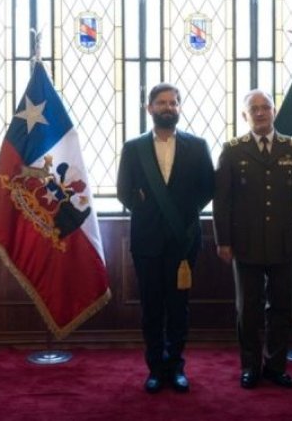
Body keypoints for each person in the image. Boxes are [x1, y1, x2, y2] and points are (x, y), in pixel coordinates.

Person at [213, 89, 292, 389]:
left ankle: (275, 366)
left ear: (274, 111)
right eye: (253, 109)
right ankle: (250, 367)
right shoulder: (232, 150)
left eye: (266, 107)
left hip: (285, 242)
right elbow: (222, 200)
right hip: (245, 243)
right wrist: (223, 241)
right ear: (244, 115)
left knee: (281, 307)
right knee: (248, 309)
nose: (260, 113)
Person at [117, 83, 215, 394]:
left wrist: (182, 212)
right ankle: (155, 369)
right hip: (146, 240)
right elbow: (124, 191)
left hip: (183, 239)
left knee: (178, 307)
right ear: (149, 108)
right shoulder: (133, 148)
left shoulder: (197, 146)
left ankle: (176, 366)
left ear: (179, 108)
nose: (168, 107)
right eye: (161, 102)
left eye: (173, 102)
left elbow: (207, 188)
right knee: (151, 307)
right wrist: (149, 210)